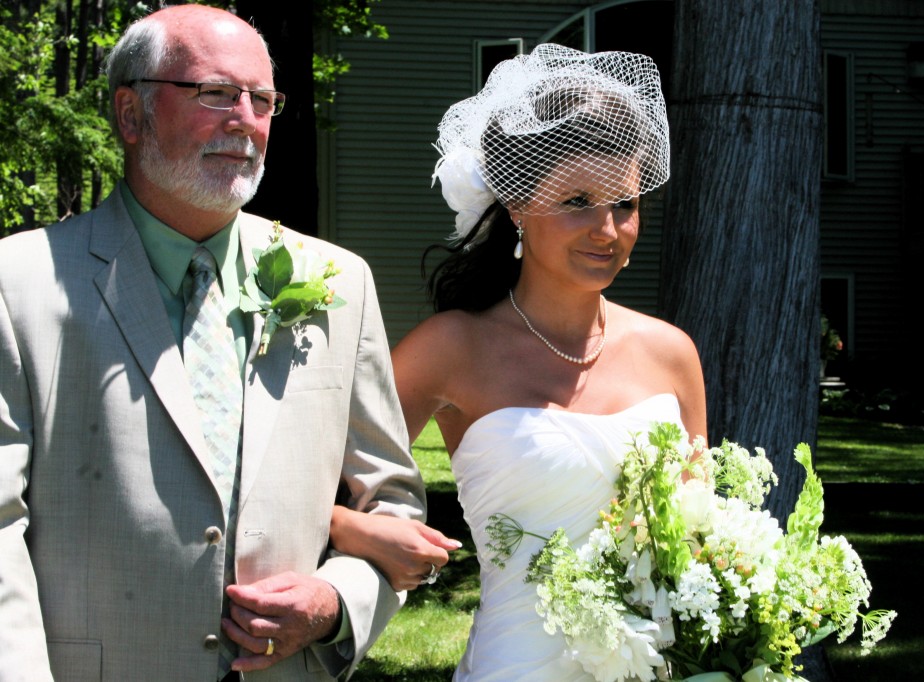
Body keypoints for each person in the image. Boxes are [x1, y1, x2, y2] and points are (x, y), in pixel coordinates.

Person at [0, 5, 450, 681]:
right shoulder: (21, 281)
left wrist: (334, 603)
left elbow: (391, 504)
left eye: (262, 99)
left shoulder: (338, 284)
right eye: (215, 94)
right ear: (130, 115)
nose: (245, 119)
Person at [332, 44, 708, 680]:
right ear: (516, 208)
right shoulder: (452, 348)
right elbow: (302, 483)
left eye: (626, 203)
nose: (608, 229)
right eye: (576, 201)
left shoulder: (672, 353)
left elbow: (705, 539)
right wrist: (353, 530)